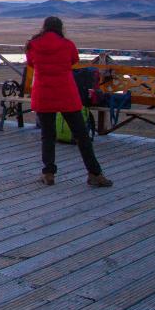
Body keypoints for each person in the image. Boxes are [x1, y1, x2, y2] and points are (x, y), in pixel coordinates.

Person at [26, 17, 113, 188]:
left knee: (47, 136)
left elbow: (31, 63)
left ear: (44, 27)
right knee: (82, 136)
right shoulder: (67, 44)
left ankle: (49, 173)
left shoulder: (32, 45)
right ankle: (94, 173)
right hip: (66, 93)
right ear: (60, 28)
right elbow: (74, 60)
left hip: (44, 93)